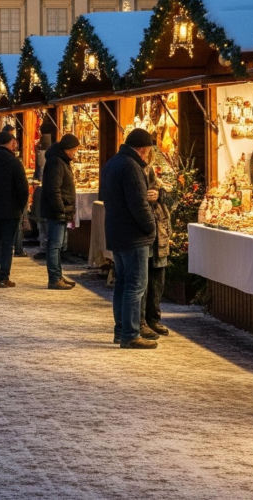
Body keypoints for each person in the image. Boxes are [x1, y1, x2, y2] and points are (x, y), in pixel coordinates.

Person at [100, 128, 158, 349]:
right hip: (133, 235)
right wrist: (150, 228)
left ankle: (121, 330)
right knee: (135, 285)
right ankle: (130, 334)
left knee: (122, 284)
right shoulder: (131, 167)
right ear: (143, 149)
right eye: (148, 151)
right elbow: (139, 204)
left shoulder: (113, 163)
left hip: (117, 231)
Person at [0, 130, 30, 287]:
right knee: (7, 243)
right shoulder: (14, 162)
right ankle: (4, 276)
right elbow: (23, 188)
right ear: (10, 143)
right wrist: (22, 206)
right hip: (11, 209)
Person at [39, 133, 79, 290]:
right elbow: (53, 189)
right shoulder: (57, 162)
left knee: (58, 244)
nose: (75, 153)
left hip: (60, 210)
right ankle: (54, 278)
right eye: (74, 150)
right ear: (67, 149)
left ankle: (58, 275)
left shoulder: (61, 160)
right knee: (55, 245)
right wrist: (61, 209)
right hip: (57, 211)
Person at [141, 155, 172, 338]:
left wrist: (159, 195)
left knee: (157, 279)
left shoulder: (155, 178)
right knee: (142, 281)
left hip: (159, 234)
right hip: (143, 235)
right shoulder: (132, 173)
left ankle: (154, 318)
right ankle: (141, 320)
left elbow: (171, 199)